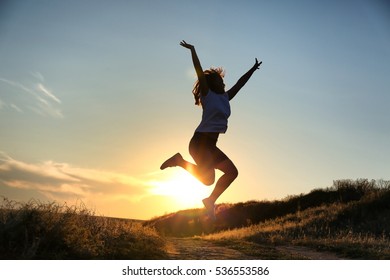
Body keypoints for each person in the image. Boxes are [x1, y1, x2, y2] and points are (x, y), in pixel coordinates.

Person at [160, 40, 262, 220]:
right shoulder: (208, 94)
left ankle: (210, 200)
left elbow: (240, 83)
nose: (223, 82)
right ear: (212, 83)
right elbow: (199, 70)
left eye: (223, 80)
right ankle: (179, 161)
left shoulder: (225, 97)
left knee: (232, 173)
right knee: (208, 179)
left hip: (211, 145)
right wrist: (193, 50)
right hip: (200, 141)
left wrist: (252, 70)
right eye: (220, 80)